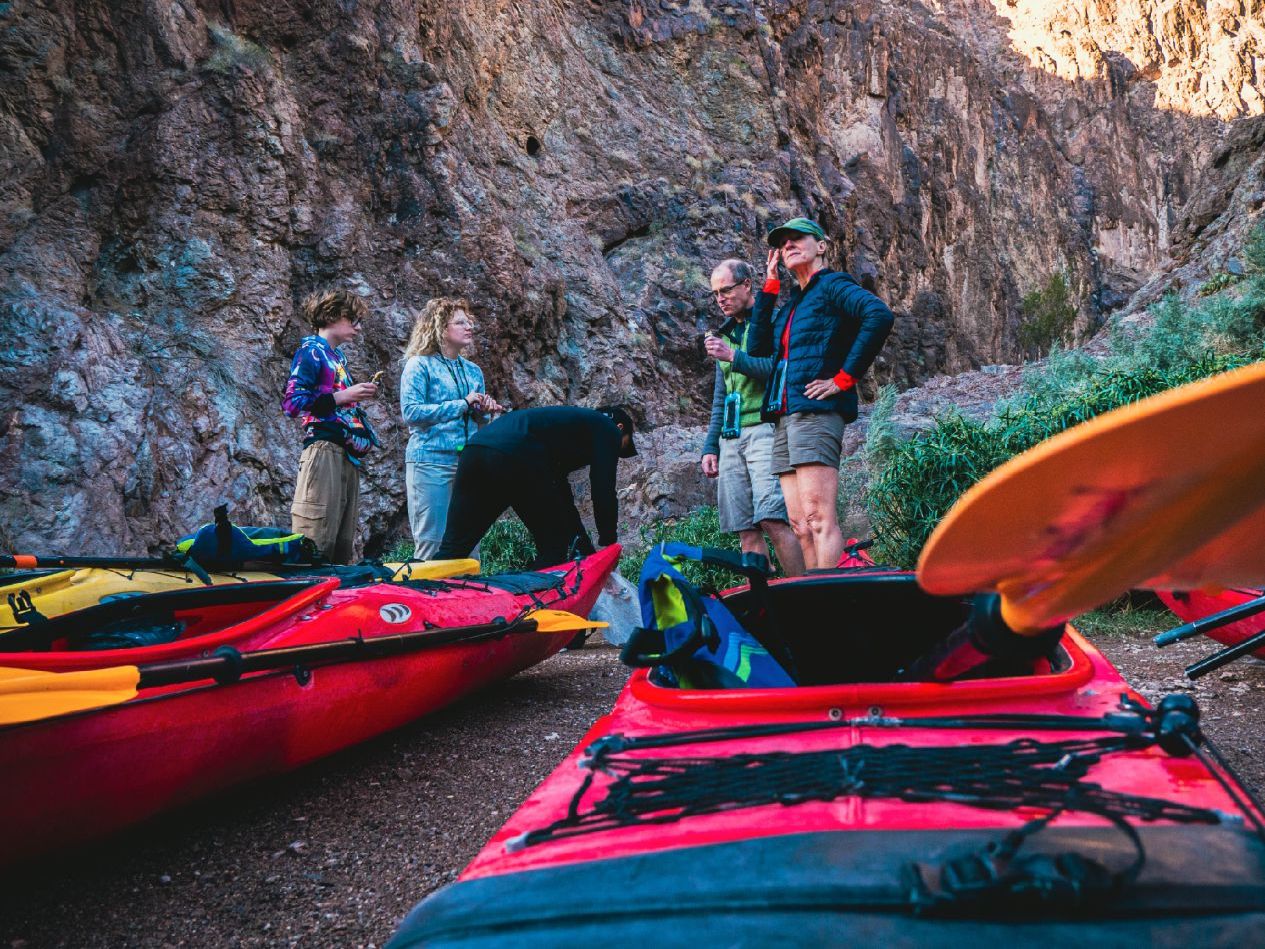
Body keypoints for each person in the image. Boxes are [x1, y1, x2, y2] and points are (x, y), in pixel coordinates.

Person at [748, 217, 894, 570]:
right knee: (799, 525)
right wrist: (769, 289)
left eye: (798, 239)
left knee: (817, 517)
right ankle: (814, 599)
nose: (789, 246)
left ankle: (830, 599)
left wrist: (843, 379)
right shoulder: (791, 305)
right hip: (784, 416)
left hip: (815, 412)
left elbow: (878, 314)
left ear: (822, 246)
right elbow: (756, 348)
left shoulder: (832, 285)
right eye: (783, 244)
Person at [702, 259, 805, 576]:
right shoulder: (726, 332)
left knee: (772, 518)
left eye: (726, 290)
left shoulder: (771, 322)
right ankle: (767, 605)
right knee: (745, 529)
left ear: (748, 284)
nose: (721, 299)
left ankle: (804, 595)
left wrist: (733, 356)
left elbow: (776, 372)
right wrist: (710, 446)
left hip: (765, 431)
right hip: (731, 438)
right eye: (716, 293)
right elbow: (721, 396)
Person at [434, 406, 636, 568]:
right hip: (516, 455)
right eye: (623, 447)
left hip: (475, 451)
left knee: (454, 548)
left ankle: (414, 599)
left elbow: (561, 495)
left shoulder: (562, 429)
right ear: (620, 428)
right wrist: (609, 541)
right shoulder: (608, 430)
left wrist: (583, 547)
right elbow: (603, 489)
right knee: (554, 548)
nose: (616, 453)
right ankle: (531, 607)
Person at [282, 289, 381, 564]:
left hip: (344, 452)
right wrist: (344, 396)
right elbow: (292, 403)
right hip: (323, 450)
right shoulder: (310, 352)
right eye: (353, 320)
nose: (358, 328)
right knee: (316, 536)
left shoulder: (336, 357)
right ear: (334, 315)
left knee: (341, 541)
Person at [399, 298, 504, 559]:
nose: (469, 327)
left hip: (468, 465)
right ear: (441, 328)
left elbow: (475, 419)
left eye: (469, 322)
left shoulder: (473, 371)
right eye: (460, 322)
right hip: (431, 462)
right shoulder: (419, 365)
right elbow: (411, 413)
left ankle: (468, 598)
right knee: (431, 544)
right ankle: (428, 598)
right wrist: (462, 404)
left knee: (469, 545)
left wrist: (485, 411)